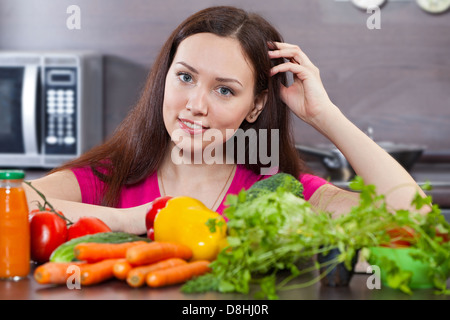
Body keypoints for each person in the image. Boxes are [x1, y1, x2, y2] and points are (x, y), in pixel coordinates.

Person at [24, 6, 428, 236]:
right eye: (185, 77)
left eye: (225, 90)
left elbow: (414, 217)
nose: (195, 104)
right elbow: (9, 205)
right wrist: (134, 219)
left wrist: (326, 115)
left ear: (254, 107)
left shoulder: (282, 196)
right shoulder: (108, 179)